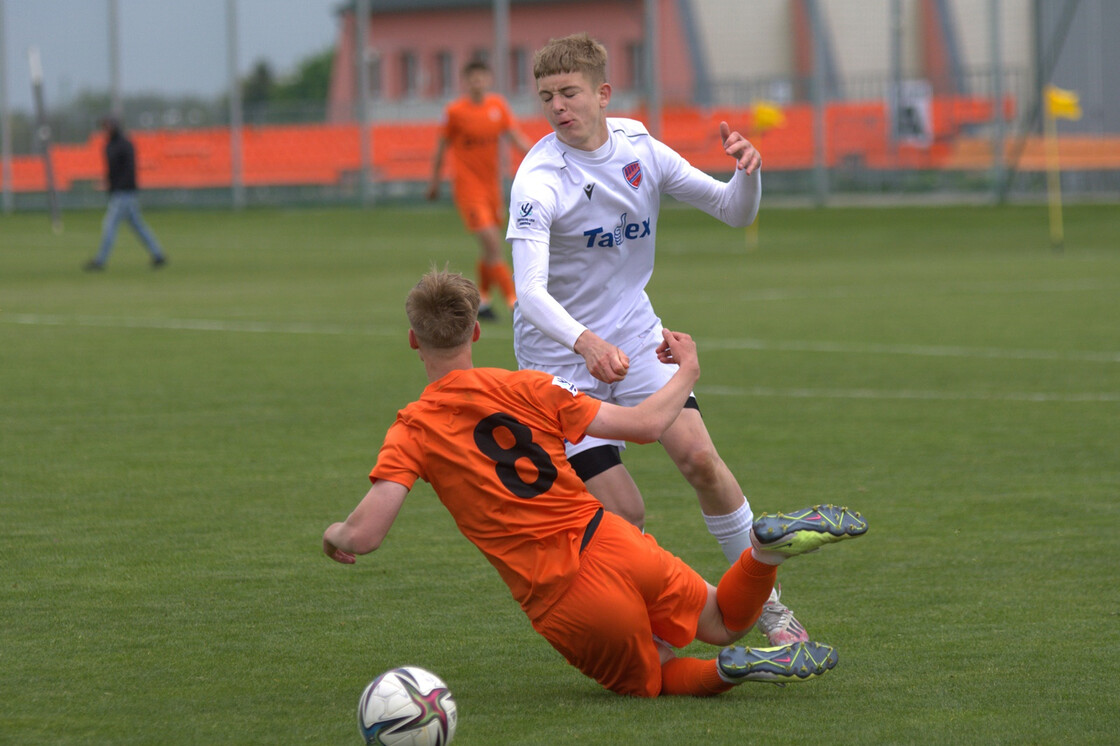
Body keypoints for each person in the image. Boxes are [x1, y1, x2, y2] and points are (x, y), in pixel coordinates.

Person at [322, 269, 868, 698]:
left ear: (414, 341)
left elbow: (366, 533)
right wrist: (689, 371)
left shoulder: (413, 427)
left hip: (562, 594)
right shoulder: (533, 387)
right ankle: (764, 553)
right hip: (610, 538)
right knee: (724, 620)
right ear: (476, 331)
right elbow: (648, 426)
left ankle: (729, 671)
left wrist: (335, 535)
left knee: (653, 678)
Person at [505, 33, 810, 645]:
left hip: (639, 335)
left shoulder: (639, 147)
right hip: (558, 361)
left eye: (569, 92)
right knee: (624, 511)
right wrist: (586, 343)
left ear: (603, 93)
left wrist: (747, 172)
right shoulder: (538, 180)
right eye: (546, 97)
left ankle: (767, 605)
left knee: (700, 459)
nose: (558, 106)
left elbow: (733, 210)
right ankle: (654, 620)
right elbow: (530, 294)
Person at [427, 59, 533, 320]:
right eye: (472, 78)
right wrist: (434, 182)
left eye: (481, 77)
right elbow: (441, 148)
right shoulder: (455, 111)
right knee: (493, 245)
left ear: (488, 80)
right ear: (465, 81)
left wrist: (541, 159)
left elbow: (516, 137)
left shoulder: (497, 106)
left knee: (489, 251)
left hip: (491, 189)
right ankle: (515, 302)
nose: (477, 82)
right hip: (468, 189)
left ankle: (482, 303)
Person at [84, 117, 167, 271]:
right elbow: (112, 171)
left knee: (109, 225)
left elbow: (128, 170)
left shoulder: (124, 145)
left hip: (124, 192)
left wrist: (117, 186)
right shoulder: (110, 145)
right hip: (120, 191)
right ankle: (158, 254)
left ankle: (100, 261)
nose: (105, 130)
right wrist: (109, 183)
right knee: (137, 225)